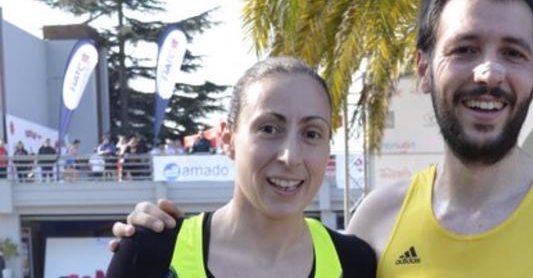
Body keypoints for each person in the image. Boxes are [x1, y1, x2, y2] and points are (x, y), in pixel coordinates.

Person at [112, 0, 533, 276]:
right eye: (466, 48)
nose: (488, 72)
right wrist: (145, 240)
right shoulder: (374, 228)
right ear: (425, 70)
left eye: (513, 53)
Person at [106, 57, 376, 277]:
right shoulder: (152, 253)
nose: (290, 156)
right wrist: (136, 246)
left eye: (312, 133)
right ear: (228, 139)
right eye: (269, 129)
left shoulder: (356, 263)